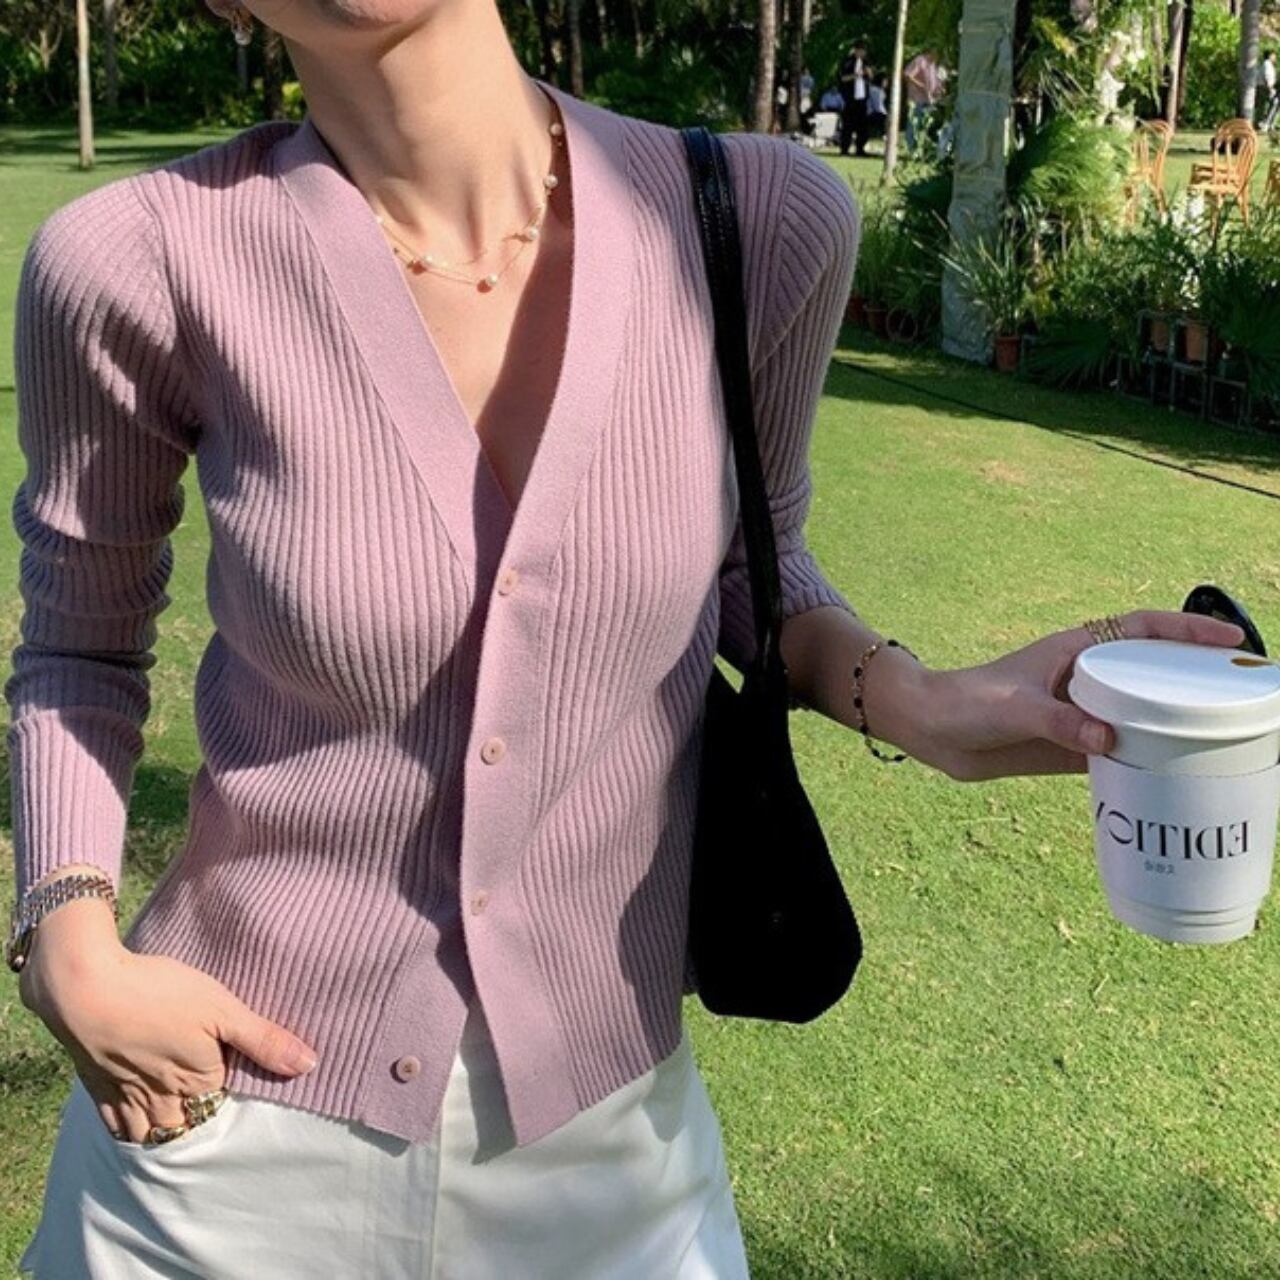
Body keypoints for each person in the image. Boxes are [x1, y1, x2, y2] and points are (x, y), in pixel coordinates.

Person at [6, 0, 1244, 1274]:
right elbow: (80, 648)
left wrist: (917, 700)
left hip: (613, 1159)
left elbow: (746, 562)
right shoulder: (137, 260)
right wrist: (67, 936)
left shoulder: (751, 220)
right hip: (217, 1145)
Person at [903, 47, 943, 151]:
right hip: (917, 99)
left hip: (929, 100)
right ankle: (912, 148)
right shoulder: (920, 60)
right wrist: (920, 85)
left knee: (927, 124)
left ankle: (924, 148)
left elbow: (935, 82)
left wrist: (938, 90)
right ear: (931, 52)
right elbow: (908, 75)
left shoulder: (933, 65)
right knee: (914, 123)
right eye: (936, 53)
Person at [838, 39, 873, 156]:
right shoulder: (848, 62)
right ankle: (844, 149)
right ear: (856, 50)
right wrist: (855, 75)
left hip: (862, 99)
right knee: (848, 125)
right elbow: (842, 78)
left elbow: (871, 77)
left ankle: (860, 148)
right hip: (850, 98)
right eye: (860, 51)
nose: (862, 53)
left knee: (862, 126)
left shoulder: (866, 62)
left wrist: (868, 73)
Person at [1260, 50, 1279, 132]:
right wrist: (1270, 88)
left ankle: (1270, 124)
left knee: (1275, 105)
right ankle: (1266, 124)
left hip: (1271, 87)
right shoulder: (1267, 64)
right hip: (1269, 88)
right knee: (1274, 104)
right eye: (1274, 55)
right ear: (1270, 56)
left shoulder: (1269, 65)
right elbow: (1267, 76)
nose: (1275, 57)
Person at [867, 76, 888, 143]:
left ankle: (883, 135)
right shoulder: (876, 90)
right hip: (871, 112)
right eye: (885, 81)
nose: (886, 83)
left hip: (873, 111)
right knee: (884, 117)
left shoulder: (879, 90)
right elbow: (878, 105)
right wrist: (886, 114)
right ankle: (884, 135)